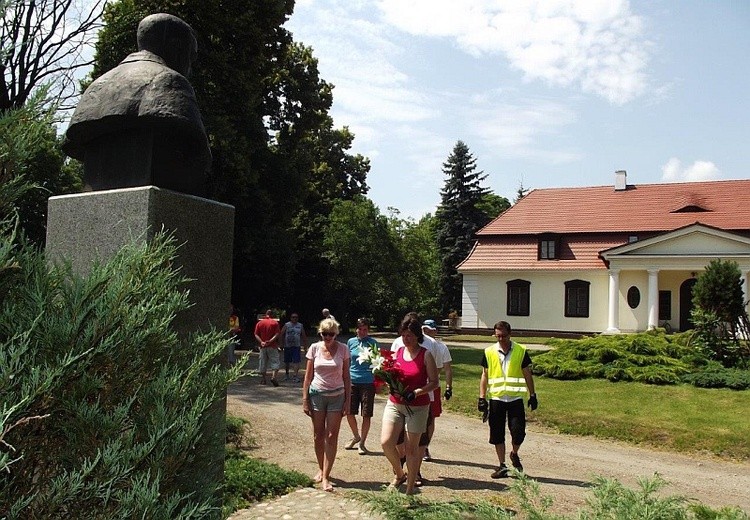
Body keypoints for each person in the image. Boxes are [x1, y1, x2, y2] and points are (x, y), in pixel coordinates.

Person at [63, 13, 211, 196]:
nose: (190, 64)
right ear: (175, 46)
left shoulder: (99, 84)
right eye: (191, 55)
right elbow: (198, 153)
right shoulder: (169, 80)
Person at [381, 316, 438, 495]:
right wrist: (388, 382)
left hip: (418, 407)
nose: (407, 339)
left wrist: (416, 392)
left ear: (417, 336)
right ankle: (399, 474)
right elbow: (391, 374)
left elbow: (434, 382)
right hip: (396, 403)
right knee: (386, 442)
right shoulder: (397, 352)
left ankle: (410, 488)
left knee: (412, 449)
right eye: (404, 335)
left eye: (410, 335)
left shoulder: (426, 354)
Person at [478, 320, 538, 478]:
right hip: (497, 398)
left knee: (519, 433)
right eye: (497, 336)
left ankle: (514, 453)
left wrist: (532, 395)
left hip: (515, 399)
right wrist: (482, 397)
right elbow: (485, 375)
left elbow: (527, 374)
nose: (500, 339)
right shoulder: (489, 352)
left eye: (503, 336)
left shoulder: (520, 350)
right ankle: (502, 465)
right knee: (497, 434)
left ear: (510, 334)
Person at [302, 318, 351, 492]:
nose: (328, 337)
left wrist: (348, 401)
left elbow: (346, 377)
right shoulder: (314, 348)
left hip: (337, 396)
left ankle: (326, 476)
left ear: (336, 333)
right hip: (317, 395)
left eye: (331, 334)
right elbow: (307, 377)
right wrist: (305, 399)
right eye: (324, 334)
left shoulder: (344, 349)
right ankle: (321, 468)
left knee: (331, 435)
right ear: (320, 333)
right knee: (318, 434)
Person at [420, 319, 453, 462]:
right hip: (419, 385)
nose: (426, 332)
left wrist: (448, 387)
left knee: (431, 417)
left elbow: (446, 369)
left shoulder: (440, 347)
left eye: (429, 330)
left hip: (433, 386)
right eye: (424, 329)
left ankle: (426, 445)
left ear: (435, 331)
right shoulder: (419, 344)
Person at [345, 318, 378, 455]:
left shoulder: (373, 343)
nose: (363, 332)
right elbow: (347, 361)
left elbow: (377, 363)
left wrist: (378, 381)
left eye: (365, 329)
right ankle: (356, 436)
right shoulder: (351, 342)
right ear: (356, 329)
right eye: (360, 329)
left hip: (368, 382)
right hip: (352, 381)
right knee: (349, 412)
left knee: (366, 414)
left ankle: (362, 443)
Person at [254, 309, 281, 386]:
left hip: (262, 346)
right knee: (275, 361)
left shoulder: (260, 323)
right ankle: (273, 377)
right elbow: (277, 334)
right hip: (272, 346)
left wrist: (261, 342)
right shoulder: (275, 323)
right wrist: (270, 341)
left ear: (266, 314)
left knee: (263, 362)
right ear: (273, 315)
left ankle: (263, 379)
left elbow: (256, 334)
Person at [280, 312, 307, 383]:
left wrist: (305, 346)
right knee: (287, 361)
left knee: (296, 361)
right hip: (287, 346)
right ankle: (286, 374)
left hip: (296, 346)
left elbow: (303, 336)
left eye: (296, 317)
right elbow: (281, 334)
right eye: (293, 317)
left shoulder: (300, 325)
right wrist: (281, 344)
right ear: (290, 318)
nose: (294, 318)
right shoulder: (287, 325)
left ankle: (295, 375)